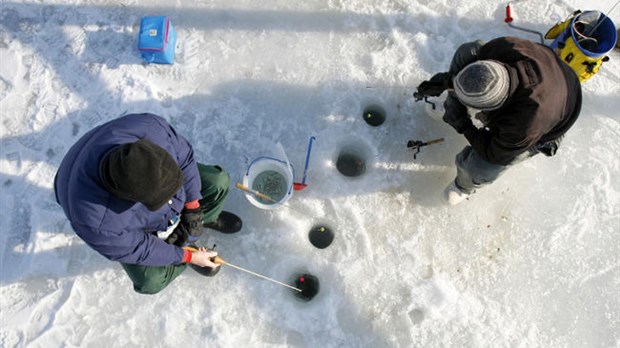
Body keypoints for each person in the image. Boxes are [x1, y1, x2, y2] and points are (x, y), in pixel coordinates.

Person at [54, 113, 242, 294]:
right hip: (95, 202)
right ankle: (186, 249)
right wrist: (188, 256)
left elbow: (183, 157)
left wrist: (193, 207)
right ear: (130, 198)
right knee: (150, 281)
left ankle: (204, 219)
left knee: (217, 182)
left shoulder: (148, 128)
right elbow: (138, 249)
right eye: (160, 199)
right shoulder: (98, 224)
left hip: (116, 161)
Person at [418, 36, 582, 204]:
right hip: (548, 68)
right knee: (468, 52)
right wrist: (448, 81)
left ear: (492, 107)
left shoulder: (525, 124)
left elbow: (495, 154)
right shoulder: (502, 48)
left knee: (482, 167)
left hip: (560, 111)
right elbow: (475, 69)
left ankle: (465, 185)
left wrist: (463, 124)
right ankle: (451, 106)